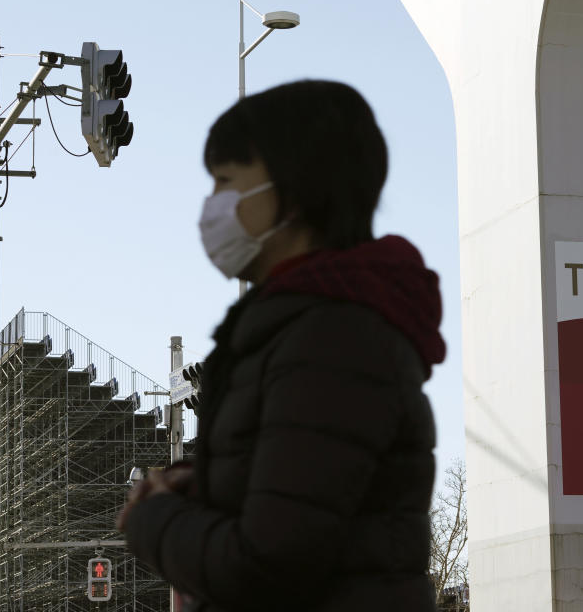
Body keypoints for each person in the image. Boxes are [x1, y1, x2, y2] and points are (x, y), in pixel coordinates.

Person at [117, 79, 445, 611]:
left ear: (290, 195)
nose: (211, 206)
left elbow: (270, 563)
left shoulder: (333, 341)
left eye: (226, 181)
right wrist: (207, 490)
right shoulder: (300, 330)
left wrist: (153, 517)